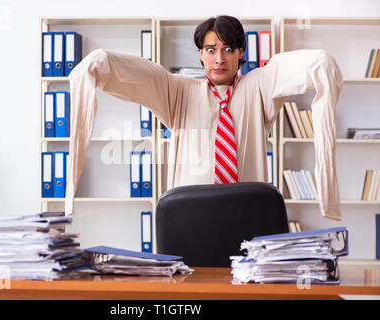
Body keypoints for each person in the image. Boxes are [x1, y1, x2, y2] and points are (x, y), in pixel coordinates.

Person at [65, 15, 343, 220]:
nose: (219, 58)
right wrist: (98, 62)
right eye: (211, 50)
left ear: (240, 53)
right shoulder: (178, 91)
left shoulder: (260, 86)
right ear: (201, 55)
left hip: (247, 216)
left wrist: (321, 62)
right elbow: (143, 73)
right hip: (189, 218)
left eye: (228, 49)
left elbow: (287, 67)